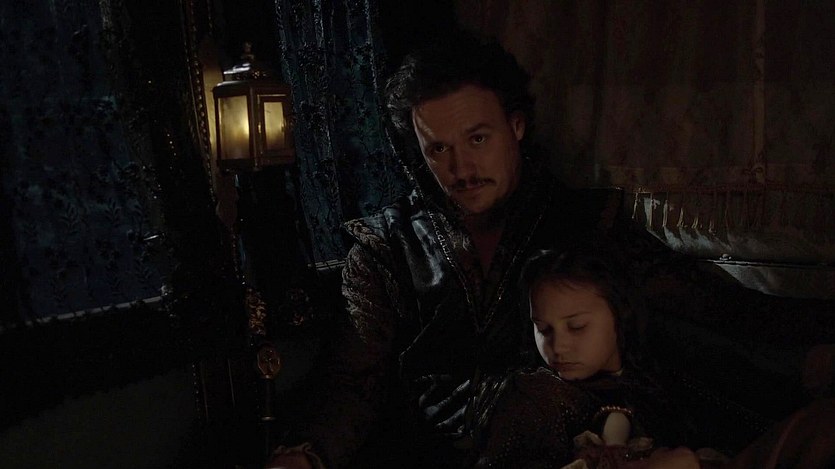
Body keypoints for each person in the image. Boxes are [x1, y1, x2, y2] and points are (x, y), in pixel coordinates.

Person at [265, 31, 833, 469]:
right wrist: (309, 454)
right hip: (432, 449)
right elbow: (353, 381)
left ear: (515, 126)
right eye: (438, 149)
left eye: (477, 138)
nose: (461, 167)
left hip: (567, 439)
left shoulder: (583, 223)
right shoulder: (387, 247)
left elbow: (708, 303)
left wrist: (816, 334)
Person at [470, 246, 707, 468]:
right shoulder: (535, 399)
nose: (558, 347)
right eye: (544, 329)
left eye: (577, 327)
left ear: (620, 313)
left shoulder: (654, 382)